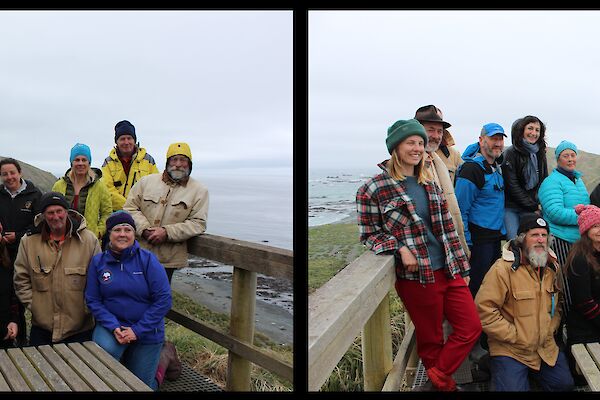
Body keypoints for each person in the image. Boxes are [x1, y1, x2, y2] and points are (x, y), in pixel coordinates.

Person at [356, 119, 481, 391]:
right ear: (395, 147)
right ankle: (444, 386)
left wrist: (462, 265)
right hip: (418, 277)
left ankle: (435, 381)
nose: (417, 148)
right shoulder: (373, 188)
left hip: (449, 269)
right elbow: (369, 234)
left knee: (471, 327)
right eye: (411, 142)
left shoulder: (429, 182)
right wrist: (399, 248)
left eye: (421, 143)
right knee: (431, 339)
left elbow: (447, 228)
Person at [475, 214, 574, 391]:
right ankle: (493, 362)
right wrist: (515, 335)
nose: (540, 240)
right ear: (521, 239)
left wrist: (550, 328)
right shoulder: (502, 269)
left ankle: (522, 373)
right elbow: (484, 310)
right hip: (511, 348)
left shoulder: (552, 267)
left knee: (564, 385)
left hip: (544, 347)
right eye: (534, 235)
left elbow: (557, 305)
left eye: (544, 236)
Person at [85, 210, 172, 391]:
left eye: (128, 229)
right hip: (112, 327)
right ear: (109, 234)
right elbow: (93, 299)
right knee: (103, 371)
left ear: (134, 234)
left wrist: (137, 330)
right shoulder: (98, 262)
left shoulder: (148, 260)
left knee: (141, 387)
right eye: (117, 230)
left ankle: (163, 363)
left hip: (147, 329)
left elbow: (163, 300)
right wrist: (113, 325)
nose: (123, 234)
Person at [13, 192, 101, 346]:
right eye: (50, 213)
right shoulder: (28, 242)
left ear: (67, 212)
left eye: (59, 211)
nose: (55, 217)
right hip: (42, 329)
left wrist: (87, 309)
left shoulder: (89, 240)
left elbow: (98, 280)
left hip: (80, 330)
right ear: (43, 216)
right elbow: (21, 279)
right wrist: (35, 307)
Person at [124, 142, 209, 284]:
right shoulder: (146, 182)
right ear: (167, 162)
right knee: (131, 293)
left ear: (189, 164)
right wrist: (144, 229)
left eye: (183, 160)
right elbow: (129, 208)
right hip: (137, 253)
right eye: (174, 159)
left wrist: (167, 232)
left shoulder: (199, 191)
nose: (178, 164)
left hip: (167, 260)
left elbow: (198, 223)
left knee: (159, 300)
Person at [455, 122, 507, 298]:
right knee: (475, 287)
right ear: (481, 140)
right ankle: (469, 325)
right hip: (478, 240)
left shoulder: (494, 168)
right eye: (493, 138)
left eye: (500, 139)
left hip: (493, 238)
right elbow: (460, 210)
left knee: (489, 287)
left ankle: (484, 324)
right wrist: (466, 243)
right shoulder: (472, 170)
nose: (498, 143)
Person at [414, 105, 469, 255]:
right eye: (431, 130)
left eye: (440, 131)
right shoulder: (409, 164)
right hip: (426, 244)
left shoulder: (439, 159)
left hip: (448, 235)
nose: (436, 136)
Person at [0, 157, 42, 346]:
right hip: (2, 256)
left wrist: (17, 236)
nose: (9, 177)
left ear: (20, 173)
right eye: (4, 174)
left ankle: (24, 340)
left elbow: (40, 225)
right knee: (7, 296)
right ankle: (9, 336)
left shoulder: (34, 195)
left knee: (23, 297)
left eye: (12, 173)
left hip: (26, 253)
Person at [538, 140, 590, 267]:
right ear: (558, 159)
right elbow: (555, 212)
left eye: (573, 155)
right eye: (565, 156)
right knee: (564, 280)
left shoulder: (578, 181)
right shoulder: (551, 182)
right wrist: (585, 217)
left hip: (580, 240)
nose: (570, 159)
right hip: (561, 240)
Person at [564, 204, 600, 381]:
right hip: (586, 329)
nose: (599, 230)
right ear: (586, 230)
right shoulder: (579, 258)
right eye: (595, 226)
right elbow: (585, 303)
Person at [502, 116, 549, 241]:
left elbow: (544, 181)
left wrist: (538, 203)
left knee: (533, 241)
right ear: (522, 130)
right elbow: (512, 185)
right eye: (530, 128)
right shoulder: (510, 153)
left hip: (531, 205)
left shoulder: (540, 153)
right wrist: (533, 206)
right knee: (514, 241)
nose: (533, 133)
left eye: (537, 130)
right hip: (512, 207)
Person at [53, 143, 112, 241]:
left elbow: (107, 213)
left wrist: (98, 232)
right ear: (71, 163)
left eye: (84, 160)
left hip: (89, 241)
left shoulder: (99, 186)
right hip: (63, 239)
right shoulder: (59, 185)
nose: (80, 163)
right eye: (77, 160)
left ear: (89, 163)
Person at [102, 120, 159, 212]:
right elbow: (107, 189)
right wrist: (128, 207)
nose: (126, 142)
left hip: (143, 212)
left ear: (134, 140)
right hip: (117, 213)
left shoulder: (148, 160)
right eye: (122, 139)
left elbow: (156, 186)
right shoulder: (108, 163)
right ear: (117, 142)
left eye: (129, 138)